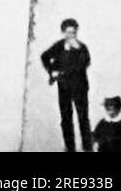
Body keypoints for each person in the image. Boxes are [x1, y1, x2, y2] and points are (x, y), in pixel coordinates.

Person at [40, 18, 93, 153]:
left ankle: (87, 147)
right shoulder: (58, 46)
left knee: (83, 118)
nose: (71, 35)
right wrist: (52, 71)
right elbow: (44, 56)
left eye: (73, 33)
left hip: (80, 87)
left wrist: (74, 51)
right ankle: (70, 148)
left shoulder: (81, 48)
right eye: (68, 33)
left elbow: (85, 62)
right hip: (64, 88)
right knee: (66, 118)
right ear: (63, 32)